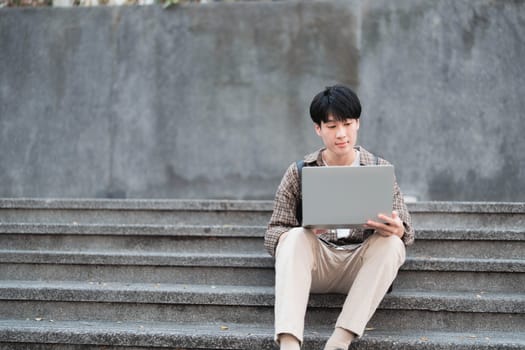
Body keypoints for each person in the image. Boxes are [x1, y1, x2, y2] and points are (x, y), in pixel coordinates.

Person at [264, 84, 415, 350]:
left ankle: (339, 342)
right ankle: (289, 344)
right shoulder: (300, 172)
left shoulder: (379, 169)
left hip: (361, 267)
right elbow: (273, 232)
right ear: (318, 129)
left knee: (393, 243)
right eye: (332, 127)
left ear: (357, 123)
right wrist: (306, 229)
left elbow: (408, 231)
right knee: (294, 236)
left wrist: (397, 229)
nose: (341, 134)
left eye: (347, 124)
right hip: (317, 266)